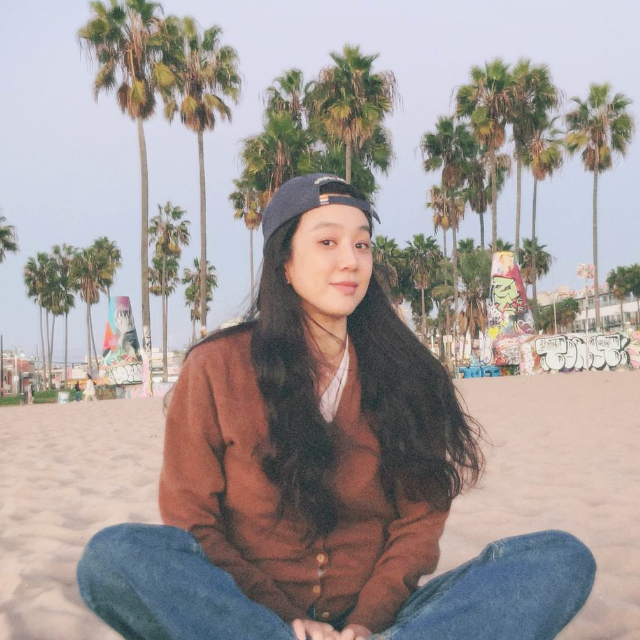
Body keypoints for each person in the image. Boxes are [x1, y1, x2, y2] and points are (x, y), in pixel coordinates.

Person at [77, 174, 596, 640]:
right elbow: (192, 522)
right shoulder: (216, 368)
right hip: (249, 617)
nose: (351, 260)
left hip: (380, 622)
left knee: (560, 558)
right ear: (284, 262)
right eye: (327, 242)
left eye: (362, 244)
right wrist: (284, 621)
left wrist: (367, 622)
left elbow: (418, 524)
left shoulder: (405, 372)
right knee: (112, 556)